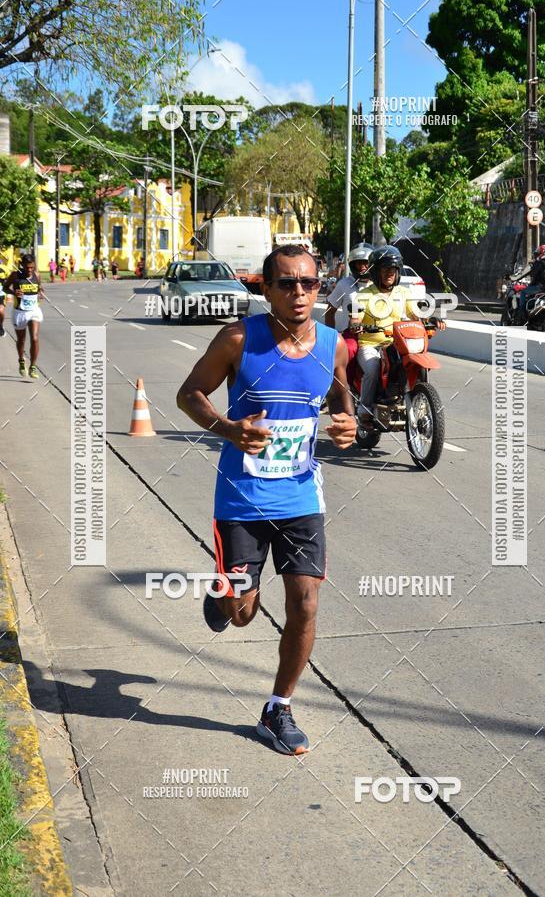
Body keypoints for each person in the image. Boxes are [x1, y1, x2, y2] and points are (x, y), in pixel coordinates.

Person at [176, 244, 356, 755]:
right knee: (242, 613)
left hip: (302, 496)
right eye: (286, 283)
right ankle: (225, 592)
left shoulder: (333, 344)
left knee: (305, 603)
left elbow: (340, 397)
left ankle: (278, 707)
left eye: (309, 283)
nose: (299, 292)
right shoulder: (238, 339)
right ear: (266, 289)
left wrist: (348, 423)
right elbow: (189, 394)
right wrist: (228, 428)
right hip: (242, 499)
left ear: (320, 286)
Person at [353, 246, 419, 426]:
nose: (390, 273)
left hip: (396, 344)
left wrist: (432, 320)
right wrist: (357, 325)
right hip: (370, 345)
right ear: (376, 272)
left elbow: (415, 315)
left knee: (414, 362)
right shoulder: (363, 295)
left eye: (393, 269)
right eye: (385, 269)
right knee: (373, 367)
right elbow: (355, 317)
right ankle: (364, 410)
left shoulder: (403, 293)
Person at [324, 242, 373, 386]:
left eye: (366, 263)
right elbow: (329, 311)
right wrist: (332, 335)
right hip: (353, 333)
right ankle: (345, 389)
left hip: (379, 334)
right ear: (353, 265)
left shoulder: (380, 284)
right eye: (359, 263)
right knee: (349, 350)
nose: (363, 267)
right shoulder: (344, 284)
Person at [4, 254, 45, 378]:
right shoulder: (15, 275)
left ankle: (33, 367)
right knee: (21, 340)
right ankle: (21, 360)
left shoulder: (37, 275)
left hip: (34, 311)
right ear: (22, 265)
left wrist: (41, 293)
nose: (30, 270)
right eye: (27, 268)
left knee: (35, 338)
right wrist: (14, 292)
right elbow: (5, 288)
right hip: (19, 312)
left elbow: (40, 289)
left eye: (32, 267)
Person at [510, 244, 545, 322]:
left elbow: (530, 274)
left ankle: (521, 312)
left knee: (523, 292)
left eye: (538, 253)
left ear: (543, 254)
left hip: (540, 287)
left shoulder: (539, 264)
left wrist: (513, 278)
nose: (537, 255)